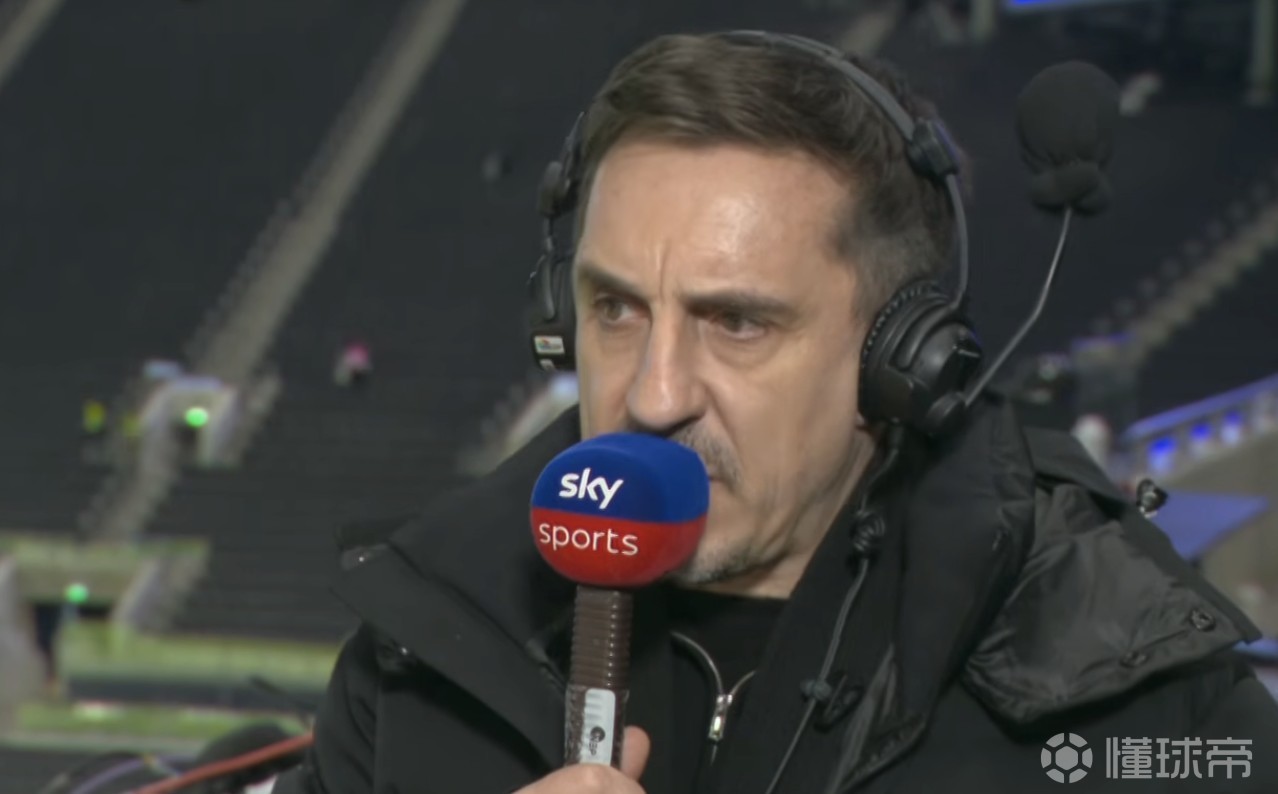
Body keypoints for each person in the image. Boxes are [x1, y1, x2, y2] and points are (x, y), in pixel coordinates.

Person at [273, 30, 1278, 794]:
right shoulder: (427, 641)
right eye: (615, 309)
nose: (653, 395)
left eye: (738, 322)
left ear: (902, 362)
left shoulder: (1132, 685)